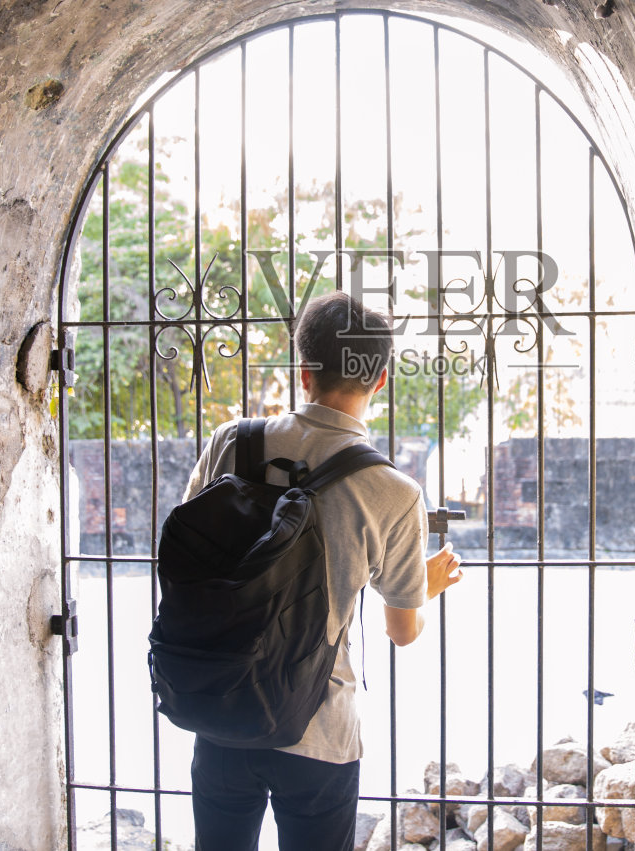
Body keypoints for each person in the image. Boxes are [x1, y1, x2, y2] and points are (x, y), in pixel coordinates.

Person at [180, 290, 464, 851]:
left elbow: (187, 555)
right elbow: (401, 632)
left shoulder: (230, 444)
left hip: (220, 706)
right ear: (380, 380)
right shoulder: (393, 492)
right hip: (319, 727)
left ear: (302, 369)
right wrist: (422, 589)